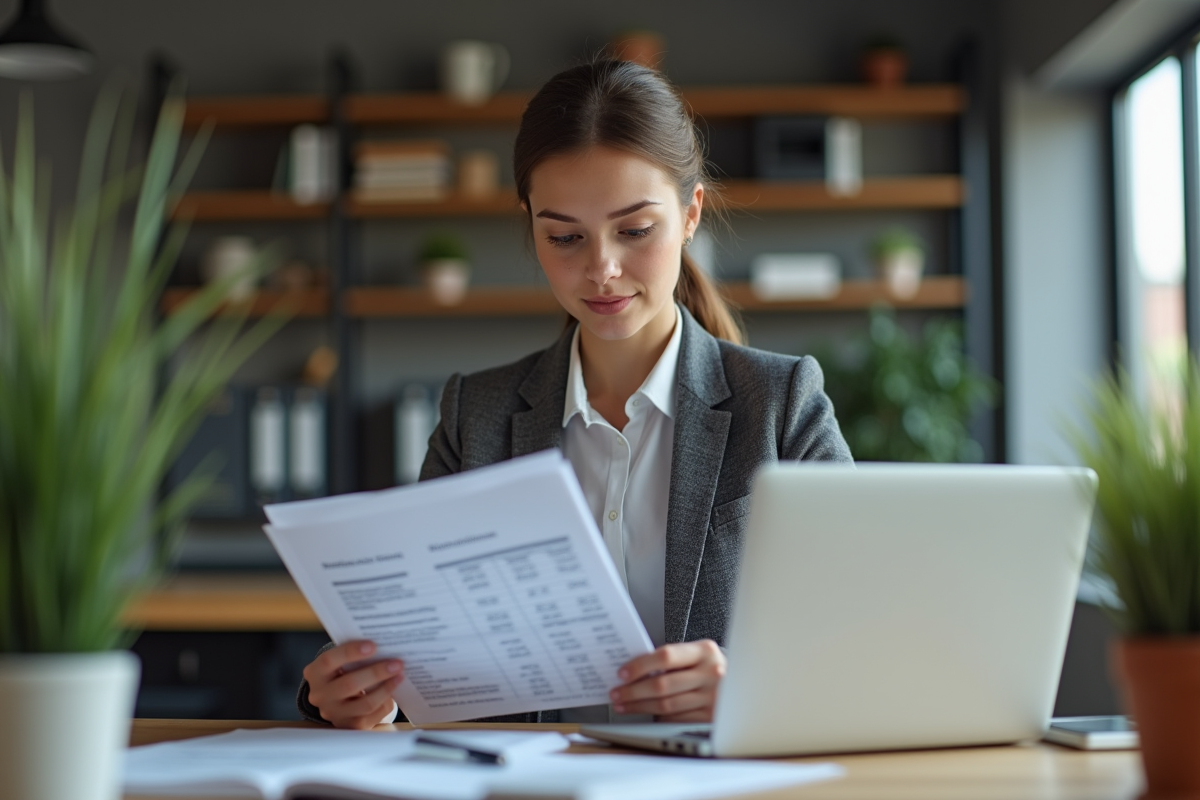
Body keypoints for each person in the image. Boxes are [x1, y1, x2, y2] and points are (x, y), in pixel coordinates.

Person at [297, 59, 853, 730]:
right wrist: (362, 695)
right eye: (564, 237)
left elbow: (866, 635)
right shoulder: (475, 416)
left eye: (635, 231)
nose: (602, 269)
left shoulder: (782, 405)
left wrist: (754, 686)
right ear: (530, 226)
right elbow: (418, 640)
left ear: (690, 214)